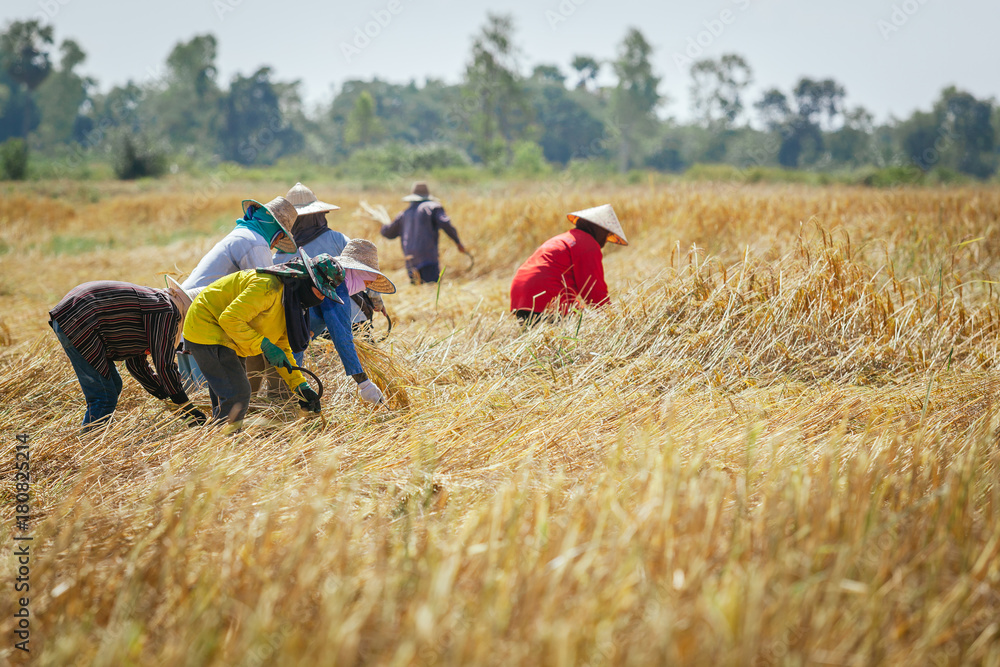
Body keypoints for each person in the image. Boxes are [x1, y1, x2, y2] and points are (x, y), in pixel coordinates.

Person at [182, 250, 344, 430]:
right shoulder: (268, 286)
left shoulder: (291, 301)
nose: (321, 298)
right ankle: (225, 445)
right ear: (306, 280)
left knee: (229, 396)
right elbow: (229, 319)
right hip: (206, 326)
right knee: (238, 394)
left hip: (230, 337)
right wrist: (264, 345)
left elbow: (281, 346)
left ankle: (218, 444)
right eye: (320, 291)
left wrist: (300, 387)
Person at [273, 183, 391, 404]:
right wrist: (363, 382)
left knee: (304, 358)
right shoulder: (336, 240)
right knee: (349, 351)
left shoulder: (281, 254)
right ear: (319, 215)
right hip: (345, 315)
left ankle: (290, 403)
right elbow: (362, 269)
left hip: (290, 324)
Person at [49, 279, 207, 432]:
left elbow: (136, 365)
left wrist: (166, 397)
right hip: (79, 317)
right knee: (104, 396)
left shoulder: (160, 305)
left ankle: (92, 437)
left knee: (113, 385)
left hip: (74, 315)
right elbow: (164, 365)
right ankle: (87, 445)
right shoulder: (166, 311)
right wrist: (186, 407)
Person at [178, 196, 298, 393]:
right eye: (279, 238)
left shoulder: (243, 234)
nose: (275, 245)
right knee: (218, 397)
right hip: (205, 325)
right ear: (276, 232)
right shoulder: (255, 244)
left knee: (195, 396)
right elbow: (265, 291)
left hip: (185, 315)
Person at [509, 204, 628, 324]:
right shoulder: (587, 244)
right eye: (607, 234)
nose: (606, 240)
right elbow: (593, 289)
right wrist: (613, 319)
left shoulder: (565, 238)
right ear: (599, 229)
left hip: (521, 297)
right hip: (545, 296)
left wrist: (581, 311)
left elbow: (559, 282)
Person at [380, 181, 468, 284]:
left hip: (410, 259)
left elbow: (389, 233)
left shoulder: (404, 213)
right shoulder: (433, 207)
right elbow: (445, 224)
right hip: (427, 256)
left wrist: (382, 226)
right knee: (432, 288)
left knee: (417, 288)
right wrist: (458, 242)